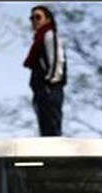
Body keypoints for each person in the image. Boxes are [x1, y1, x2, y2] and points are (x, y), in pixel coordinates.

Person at [24, 5, 66, 137]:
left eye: (38, 17)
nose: (34, 21)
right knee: (45, 129)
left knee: (52, 128)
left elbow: (57, 60)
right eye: (32, 18)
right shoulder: (38, 39)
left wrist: (50, 83)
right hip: (41, 90)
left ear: (48, 20)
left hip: (50, 89)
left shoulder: (49, 34)